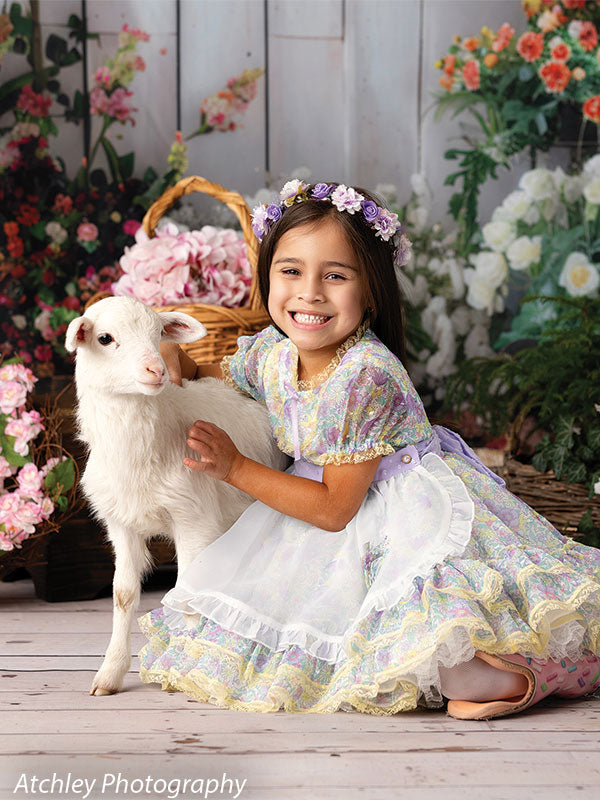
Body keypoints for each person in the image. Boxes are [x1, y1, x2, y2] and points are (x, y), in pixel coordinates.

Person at [138, 180, 600, 719]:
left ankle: (553, 668)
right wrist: (181, 363)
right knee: (256, 624)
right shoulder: (273, 352)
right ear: (266, 277)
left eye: (335, 275)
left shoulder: (366, 376)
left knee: (449, 648)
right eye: (290, 271)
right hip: (323, 508)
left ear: (371, 290)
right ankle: (482, 668)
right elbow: (222, 371)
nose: (309, 292)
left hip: (399, 513)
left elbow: (336, 509)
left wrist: (235, 467)